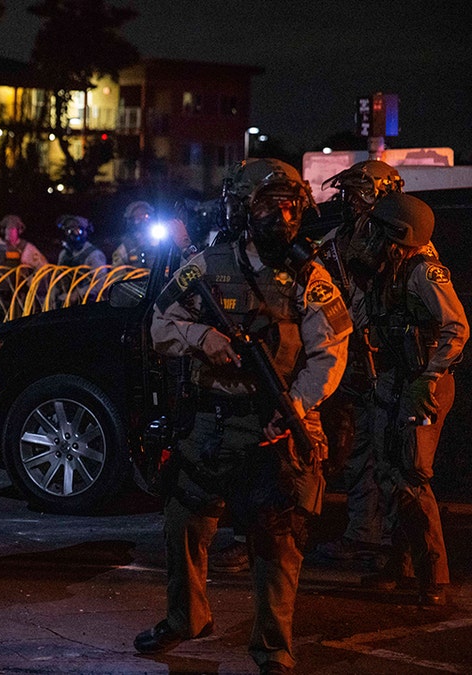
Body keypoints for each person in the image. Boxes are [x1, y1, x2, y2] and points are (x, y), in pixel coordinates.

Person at [137, 158, 350, 674]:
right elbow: (159, 324)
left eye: (289, 205)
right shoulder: (209, 265)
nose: (281, 217)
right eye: (268, 206)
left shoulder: (309, 274)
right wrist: (203, 337)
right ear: (242, 210)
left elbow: (330, 352)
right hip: (210, 421)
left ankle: (273, 646)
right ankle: (187, 618)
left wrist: (295, 405)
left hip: (275, 422)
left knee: (277, 540)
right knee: (184, 521)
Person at [350, 192, 467, 606]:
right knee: (388, 471)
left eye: (377, 230)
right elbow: (363, 320)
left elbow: (457, 329)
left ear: (397, 235)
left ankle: (432, 577)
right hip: (393, 380)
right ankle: (400, 563)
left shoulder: (423, 272)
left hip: (423, 384)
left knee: (413, 475)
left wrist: (428, 379)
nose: (368, 236)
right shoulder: (383, 270)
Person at [313, 160, 406, 563]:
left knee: (391, 455)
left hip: (390, 363)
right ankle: (362, 532)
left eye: (356, 193)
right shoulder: (338, 239)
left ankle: (395, 543)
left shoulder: (401, 238)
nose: (348, 201)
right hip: (353, 359)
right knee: (357, 449)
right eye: (347, 193)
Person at [112, 200, 155, 266]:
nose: (142, 220)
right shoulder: (124, 247)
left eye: (146, 216)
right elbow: (117, 273)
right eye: (138, 217)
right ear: (130, 221)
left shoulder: (161, 242)